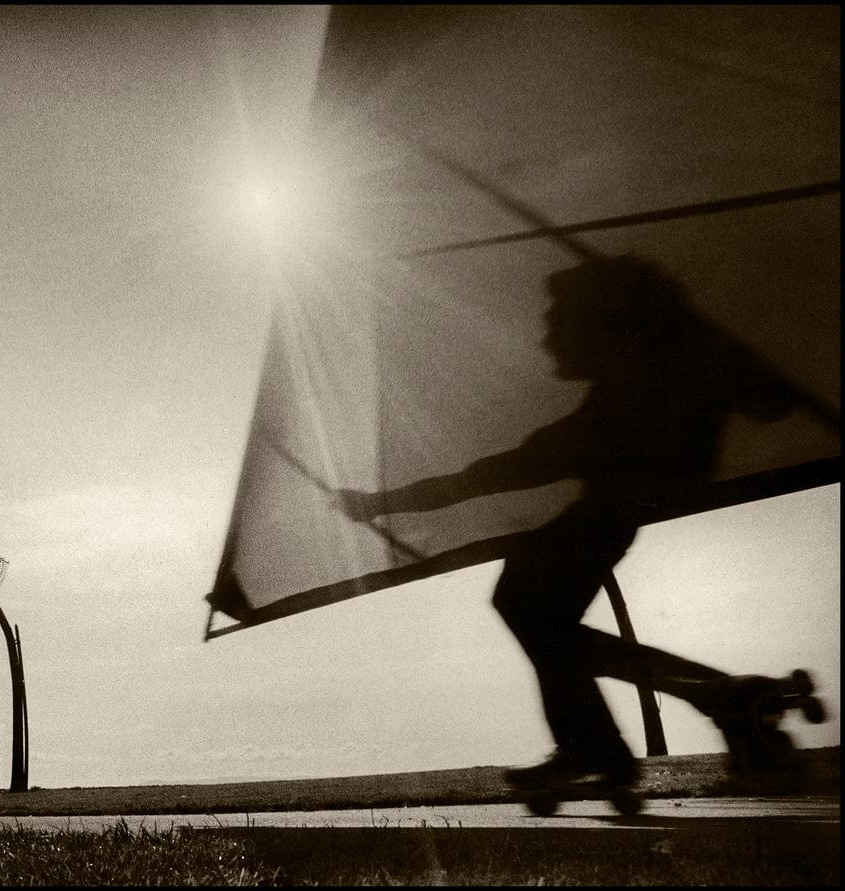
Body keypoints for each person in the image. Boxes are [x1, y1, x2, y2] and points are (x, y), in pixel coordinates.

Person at [337, 255, 827, 789]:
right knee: (540, 618)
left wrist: (379, 503)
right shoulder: (672, 380)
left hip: (603, 519)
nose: (548, 339)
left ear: (607, 326)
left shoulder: (621, 408)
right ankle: (714, 700)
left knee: (528, 607)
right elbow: (773, 400)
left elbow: (491, 475)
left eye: (560, 323)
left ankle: (611, 741)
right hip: (608, 519)